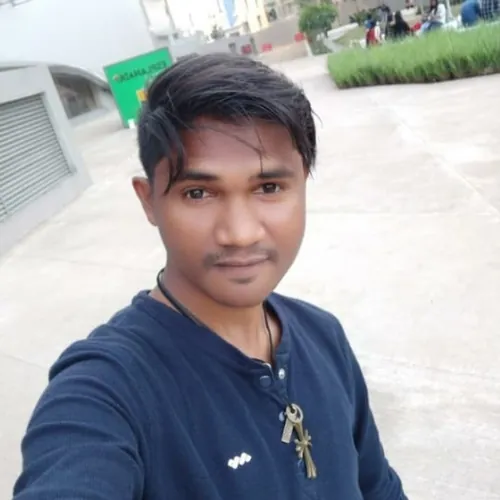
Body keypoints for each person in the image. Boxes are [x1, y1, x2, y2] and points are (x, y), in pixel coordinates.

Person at [13, 54, 408, 500]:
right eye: (198, 193)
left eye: (269, 188)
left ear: (303, 184)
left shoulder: (323, 335)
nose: (240, 234)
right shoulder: (110, 388)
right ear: (148, 201)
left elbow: (378, 487)